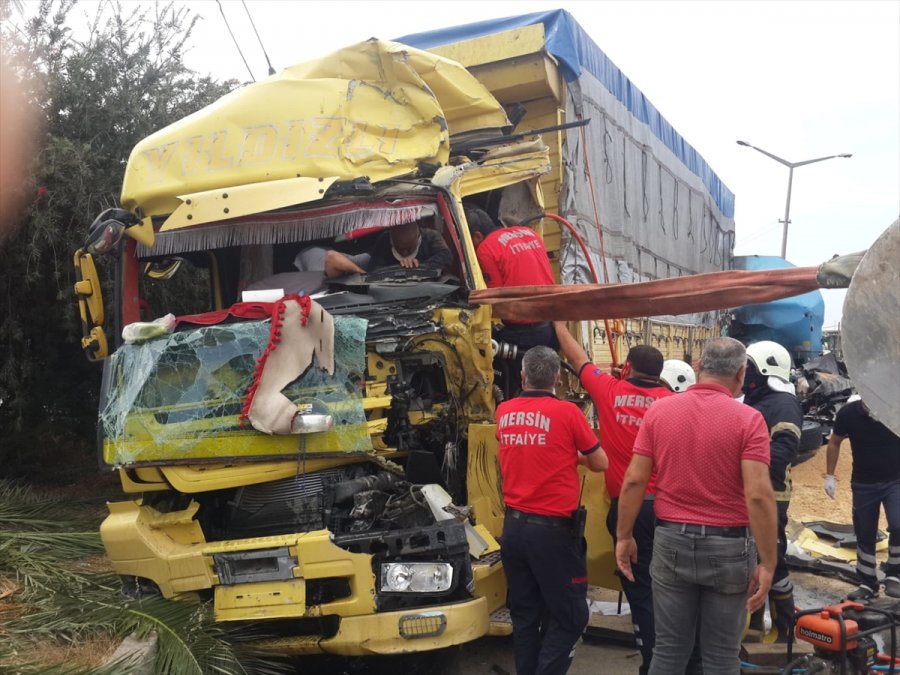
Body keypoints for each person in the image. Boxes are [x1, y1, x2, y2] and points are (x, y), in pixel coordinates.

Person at [615, 337, 778, 674]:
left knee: (669, 651)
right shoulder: (749, 420)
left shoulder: (660, 412)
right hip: (729, 548)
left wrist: (624, 536)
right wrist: (768, 562)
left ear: (699, 366)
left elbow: (633, 480)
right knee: (721, 657)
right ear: (741, 373)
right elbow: (758, 495)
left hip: (671, 541)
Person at [553, 322, 673, 675]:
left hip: (629, 513)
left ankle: (654, 664)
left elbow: (578, 359)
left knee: (642, 593)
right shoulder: (672, 404)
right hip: (668, 512)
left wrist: (558, 324)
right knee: (669, 590)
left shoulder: (609, 390)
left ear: (628, 367)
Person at [497, 346, 608, 675]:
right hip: (552, 534)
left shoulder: (503, 411)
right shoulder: (568, 413)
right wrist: (573, 456)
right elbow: (600, 462)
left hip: (513, 530)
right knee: (572, 615)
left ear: (522, 376)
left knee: (525, 616)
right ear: (558, 378)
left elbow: (526, 450)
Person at [742, 340, 803, 642]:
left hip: (771, 495)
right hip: (752, 493)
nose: (744, 373)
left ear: (765, 370)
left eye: (749, 367)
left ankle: (784, 631)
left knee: (772, 560)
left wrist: (746, 465)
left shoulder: (783, 404)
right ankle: (753, 626)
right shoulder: (758, 401)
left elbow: (785, 449)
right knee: (752, 560)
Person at [467, 205, 557, 399]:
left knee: (513, 389)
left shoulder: (486, 248)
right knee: (544, 388)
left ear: (477, 236)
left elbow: (497, 301)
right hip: (550, 327)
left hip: (523, 334)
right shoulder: (530, 233)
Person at [825, 396, 900, 600]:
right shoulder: (848, 413)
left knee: (898, 524)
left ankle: (894, 574)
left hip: (895, 480)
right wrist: (830, 475)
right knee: (865, 532)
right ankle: (868, 583)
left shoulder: (893, 408)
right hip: (863, 484)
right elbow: (834, 442)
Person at [322, 219, 452, 277]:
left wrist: (420, 265)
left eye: (408, 248)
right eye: (400, 248)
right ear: (392, 240)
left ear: (418, 236)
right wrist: (399, 268)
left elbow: (447, 258)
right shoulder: (384, 241)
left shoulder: (431, 236)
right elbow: (375, 268)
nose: (405, 253)